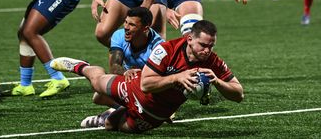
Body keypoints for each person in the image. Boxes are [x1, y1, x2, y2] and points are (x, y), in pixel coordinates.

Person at [50, 20, 243, 133]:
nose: (207, 51)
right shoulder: (167, 49)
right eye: (203, 45)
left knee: (111, 125)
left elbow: (238, 94)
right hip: (135, 90)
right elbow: (146, 85)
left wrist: (217, 81)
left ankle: (105, 117)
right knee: (97, 83)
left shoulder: (213, 62)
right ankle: (81, 66)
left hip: (156, 115)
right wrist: (177, 77)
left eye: (211, 46)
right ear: (190, 39)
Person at [81, 7, 164, 127]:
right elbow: (114, 66)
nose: (126, 27)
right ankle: (118, 110)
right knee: (98, 97)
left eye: (132, 25)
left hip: (147, 88)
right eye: (125, 22)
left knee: (115, 125)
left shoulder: (158, 48)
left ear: (145, 28)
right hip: (128, 82)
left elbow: (158, 80)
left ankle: (107, 116)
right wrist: (125, 72)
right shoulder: (119, 35)